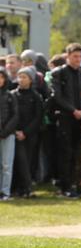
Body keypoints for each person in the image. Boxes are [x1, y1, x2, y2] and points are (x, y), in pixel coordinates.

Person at [51, 43, 81, 199]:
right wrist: (73, 110)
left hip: (80, 119)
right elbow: (57, 96)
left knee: (79, 153)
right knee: (66, 153)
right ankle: (65, 187)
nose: (78, 60)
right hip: (65, 118)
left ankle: (78, 185)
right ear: (67, 56)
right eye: (75, 56)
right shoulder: (59, 73)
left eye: (80, 57)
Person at [11, 67, 43, 198]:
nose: (21, 79)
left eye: (25, 77)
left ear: (31, 79)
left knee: (27, 161)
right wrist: (15, 131)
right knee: (20, 160)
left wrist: (25, 132)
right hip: (14, 133)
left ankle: (23, 188)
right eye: (20, 76)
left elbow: (38, 117)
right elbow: (10, 114)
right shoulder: (12, 94)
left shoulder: (36, 96)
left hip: (29, 134)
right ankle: (25, 188)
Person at [0, 67, 18, 200]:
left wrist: (5, 132)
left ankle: (5, 192)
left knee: (6, 165)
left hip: (8, 134)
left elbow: (15, 116)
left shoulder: (10, 95)